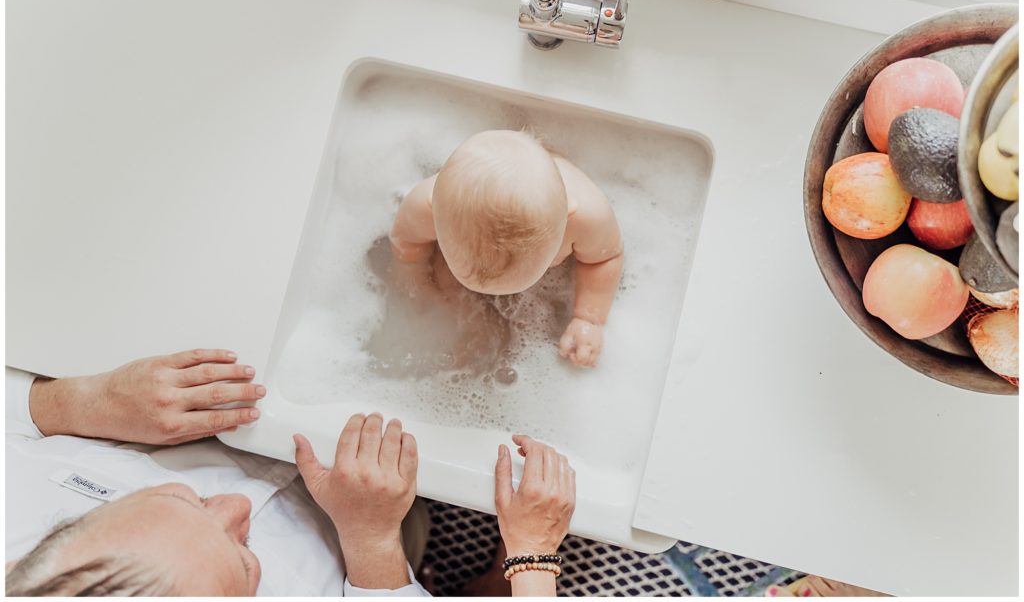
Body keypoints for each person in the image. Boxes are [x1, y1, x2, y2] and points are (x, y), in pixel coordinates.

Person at [6, 350, 577, 596]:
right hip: (385, 530)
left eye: (177, 499)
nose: (235, 506)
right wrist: (372, 537)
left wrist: (83, 400)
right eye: (243, 559)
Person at [389, 129, 624, 368]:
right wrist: (413, 276)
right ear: (434, 207)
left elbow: (603, 259)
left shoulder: (587, 219)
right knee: (445, 287)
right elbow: (406, 242)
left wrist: (589, 318)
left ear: (566, 218)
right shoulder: (425, 208)